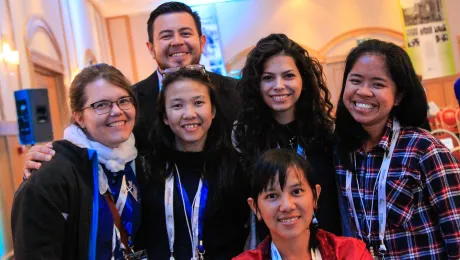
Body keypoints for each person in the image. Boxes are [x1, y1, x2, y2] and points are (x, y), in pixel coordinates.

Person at [22, 1, 238, 175]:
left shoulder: (236, 92)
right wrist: (46, 157)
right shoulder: (128, 102)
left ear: (201, 41)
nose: (177, 42)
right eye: (166, 36)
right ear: (151, 48)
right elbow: (90, 142)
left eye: (185, 33)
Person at [334, 39, 460, 259]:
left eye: (377, 84)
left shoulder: (425, 150)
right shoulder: (342, 152)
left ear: (398, 96)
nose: (363, 92)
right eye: (355, 80)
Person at [12, 63, 144, 259]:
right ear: (79, 117)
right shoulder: (49, 177)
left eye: (123, 100)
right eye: (101, 105)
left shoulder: (135, 159)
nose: (117, 111)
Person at [233, 34, 341, 239]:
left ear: (304, 79)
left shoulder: (327, 132)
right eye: (268, 78)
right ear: (256, 84)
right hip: (275, 248)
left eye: (288, 76)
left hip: (331, 245)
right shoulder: (244, 138)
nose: (279, 85)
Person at [136, 68, 249, 259]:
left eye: (198, 103)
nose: (189, 114)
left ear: (212, 110)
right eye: (177, 106)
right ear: (165, 116)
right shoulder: (146, 168)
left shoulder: (236, 167)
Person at [233, 149, 373, 260]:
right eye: (272, 196)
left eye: (296, 192)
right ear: (255, 207)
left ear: (315, 196)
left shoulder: (350, 253)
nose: (287, 206)